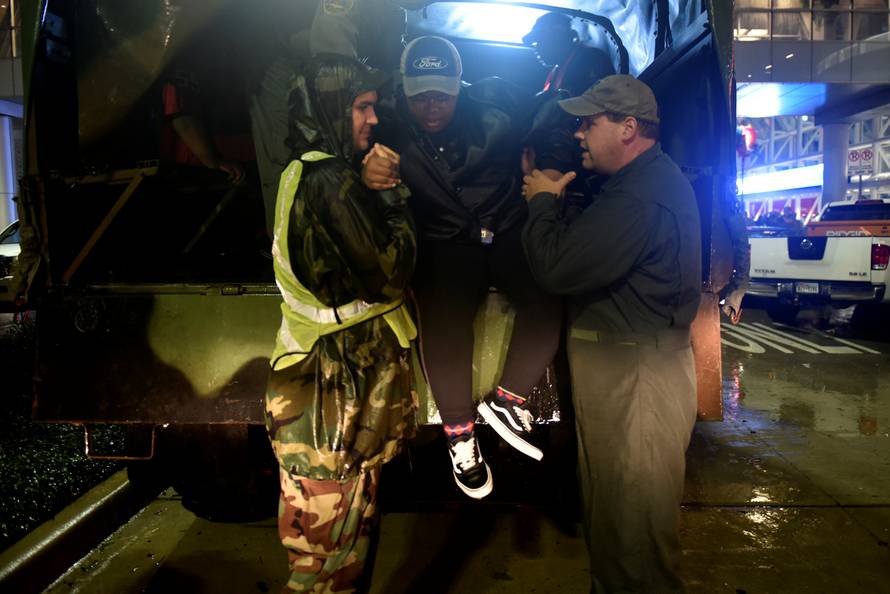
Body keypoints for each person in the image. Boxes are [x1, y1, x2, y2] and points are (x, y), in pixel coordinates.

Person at [521, 75, 701, 593]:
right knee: (617, 533)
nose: (578, 133)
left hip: (638, 386)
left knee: (636, 549)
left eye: (588, 122)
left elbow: (556, 267)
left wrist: (541, 203)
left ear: (627, 128)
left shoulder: (640, 198)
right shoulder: (634, 186)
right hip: (629, 379)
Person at [364, 36, 562, 499]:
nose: (431, 106)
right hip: (445, 240)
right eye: (420, 96)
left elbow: (551, 117)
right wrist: (364, 170)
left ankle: (508, 404)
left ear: (460, 87)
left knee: (549, 293)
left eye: (442, 95)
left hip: (504, 227)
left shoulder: (500, 105)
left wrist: (548, 168)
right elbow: (340, 144)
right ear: (404, 92)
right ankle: (460, 437)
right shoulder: (386, 124)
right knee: (443, 318)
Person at [264, 56, 417, 593]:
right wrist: (391, 194)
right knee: (324, 566)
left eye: (374, 106)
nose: (373, 119)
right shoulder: (329, 179)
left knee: (339, 557)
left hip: (330, 398)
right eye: (361, 107)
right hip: (328, 404)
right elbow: (392, 273)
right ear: (327, 106)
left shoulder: (312, 168)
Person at [523, 11, 615, 96]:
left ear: (557, 39)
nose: (536, 49)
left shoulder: (590, 58)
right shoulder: (557, 68)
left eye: (540, 42)